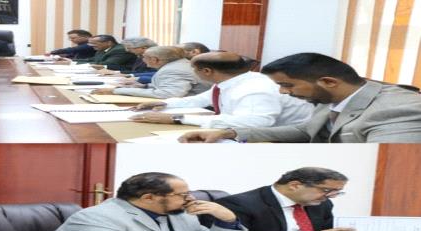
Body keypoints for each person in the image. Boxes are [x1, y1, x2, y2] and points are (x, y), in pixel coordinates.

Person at [46, 172, 281, 231]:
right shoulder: (95, 217)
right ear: (149, 198)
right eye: (182, 195)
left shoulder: (179, 213)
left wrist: (226, 220)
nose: (190, 199)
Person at [179, 53, 421, 143]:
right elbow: (306, 131)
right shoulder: (330, 97)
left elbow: (392, 166)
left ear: (328, 82)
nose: (283, 92)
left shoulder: (395, 111)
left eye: (287, 85)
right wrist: (230, 133)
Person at [130, 51, 312, 128]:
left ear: (207, 71)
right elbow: (200, 100)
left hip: (277, 140)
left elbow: (257, 122)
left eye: (193, 69)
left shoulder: (254, 88)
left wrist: (177, 119)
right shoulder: (231, 81)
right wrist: (164, 104)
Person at [217, 167, 355, 231]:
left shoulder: (322, 203)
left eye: (337, 192)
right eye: (326, 190)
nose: (331, 196)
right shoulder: (239, 203)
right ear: (295, 185)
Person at [94, 46, 206, 99]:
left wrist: (116, 91)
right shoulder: (178, 64)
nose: (142, 60)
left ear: (154, 59)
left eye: (144, 57)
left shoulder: (173, 70)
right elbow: (168, 86)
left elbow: (168, 94)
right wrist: (144, 86)